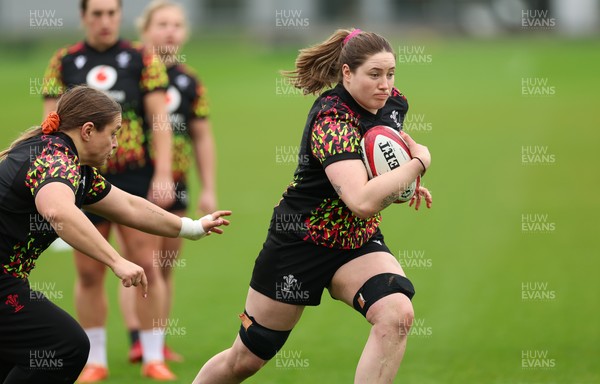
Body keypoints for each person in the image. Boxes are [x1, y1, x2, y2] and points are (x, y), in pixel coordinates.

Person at [193, 28, 432, 383]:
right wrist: (419, 163)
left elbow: (379, 161)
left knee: (396, 313)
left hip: (355, 243)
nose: (385, 84)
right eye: (374, 74)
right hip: (300, 243)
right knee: (246, 358)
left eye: (390, 73)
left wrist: (406, 184)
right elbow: (361, 200)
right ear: (347, 73)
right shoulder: (332, 120)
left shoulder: (394, 104)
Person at [0, 85, 230, 384]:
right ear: (87, 131)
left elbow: (130, 206)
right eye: (113, 133)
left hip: (8, 280)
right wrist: (116, 260)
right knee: (65, 346)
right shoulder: (53, 160)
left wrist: (192, 228)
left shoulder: (73, 166)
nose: (116, 144)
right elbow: (59, 212)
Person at [41, 0, 179, 381]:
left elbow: (159, 120)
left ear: (119, 16)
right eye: (96, 14)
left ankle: (153, 355)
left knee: (146, 263)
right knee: (88, 272)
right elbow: (49, 124)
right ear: (84, 17)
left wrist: (163, 173)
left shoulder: (141, 58)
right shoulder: (64, 61)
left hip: (132, 175)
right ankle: (95, 359)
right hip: (80, 177)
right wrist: (52, 176)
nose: (104, 21)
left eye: (111, 13)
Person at [118, 0, 218, 365]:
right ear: (144, 30)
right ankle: (138, 340)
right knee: (139, 262)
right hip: (132, 179)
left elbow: (202, 137)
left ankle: (156, 340)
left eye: (177, 25)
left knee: (164, 266)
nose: (170, 31)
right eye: (162, 24)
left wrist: (208, 188)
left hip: (175, 181)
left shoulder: (189, 81)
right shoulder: (126, 72)